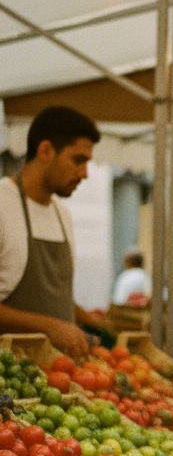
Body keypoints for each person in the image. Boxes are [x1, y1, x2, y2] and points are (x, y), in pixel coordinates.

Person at [0, 105, 100, 361]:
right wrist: (51, 327)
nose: (85, 174)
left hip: (61, 380)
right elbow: (50, 320)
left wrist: (91, 322)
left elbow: (54, 301)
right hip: (12, 382)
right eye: (78, 160)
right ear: (45, 150)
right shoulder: (2, 204)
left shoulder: (62, 215)